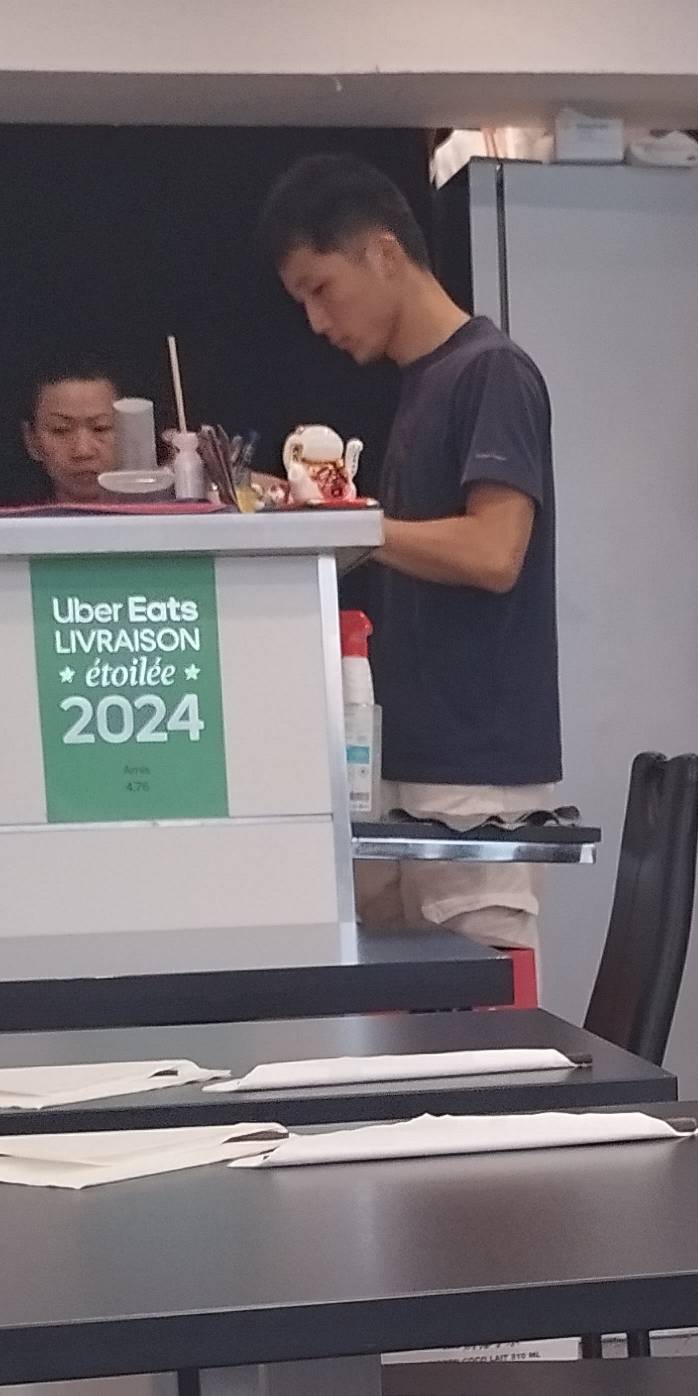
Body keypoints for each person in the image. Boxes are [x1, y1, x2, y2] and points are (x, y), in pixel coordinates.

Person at [260, 153, 562, 965]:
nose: (317, 322)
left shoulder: (492, 371)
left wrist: (354, 524)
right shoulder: (423, 385)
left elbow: (495, 551)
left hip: (474, 781)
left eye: (321, 289)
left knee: (488, 1020)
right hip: (409, 766)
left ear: (384, 253)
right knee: (403, 1017)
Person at [22, 360, 121, 509]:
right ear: (31, 440)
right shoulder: (9, 522)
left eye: (100, 428)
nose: (83, 451)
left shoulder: (158, 519)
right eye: (60, 430)